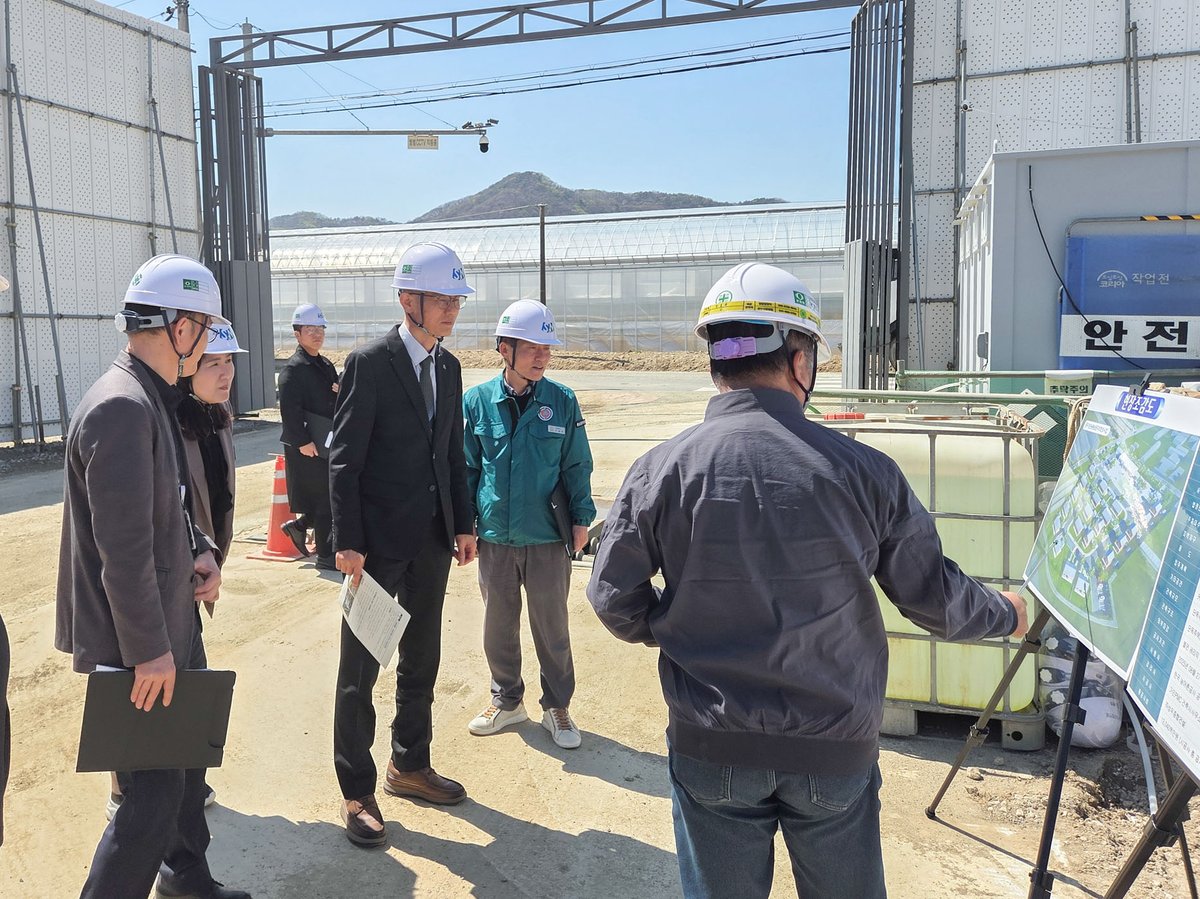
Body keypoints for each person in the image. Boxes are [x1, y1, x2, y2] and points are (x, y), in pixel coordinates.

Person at [586, 262, 1029, 899]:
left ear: (716, 361)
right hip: (832, 750)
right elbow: (934, 599)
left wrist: (673, 623)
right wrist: (1008, 611)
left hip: (712, 746)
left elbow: (612, 598)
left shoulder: (661, 469)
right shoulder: (865, 471)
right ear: (801, 360)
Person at [55, 254, 250, 899]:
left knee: (185, 768)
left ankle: (188, 879)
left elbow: (169, 504)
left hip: (170, 619)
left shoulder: (152, 395)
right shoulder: (122, 406)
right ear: (181, 327)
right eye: (207, 326)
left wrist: (200, 549)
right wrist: (150, 653)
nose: (210, 341)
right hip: (140, 641)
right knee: (150, 802)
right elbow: (124, 551)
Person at [329, 242, 478, 848]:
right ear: (407, 299)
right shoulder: (370, 363)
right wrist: (348, 541)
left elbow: (452, 454)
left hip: (432, 541)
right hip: (377, 546)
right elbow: (344, 459)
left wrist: (463, 523)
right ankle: (357, 788)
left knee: (422, 658)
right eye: (442, 299)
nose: (452, 310)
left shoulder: (449, 367)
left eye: (456, 300)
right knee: (360, 669)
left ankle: (409, 764)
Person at [104, 324, 246, 821]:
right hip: (160, 575)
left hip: (192, 567)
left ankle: (179, 789)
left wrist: (207, 554)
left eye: (229, 362)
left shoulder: (217, 418)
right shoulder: (161, 419)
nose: (226, 373)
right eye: (214, 362)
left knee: (184, 683)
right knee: (142, 683)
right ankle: (125, 788)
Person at [462, 300, 595, 749]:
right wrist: (465, 524)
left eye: (547, 348)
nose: (542, 356)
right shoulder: (477, 401)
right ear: (505, 349)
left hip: (546, 535)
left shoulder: (562, 400)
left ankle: (557, 706)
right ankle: (507, 700)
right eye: (533, 347)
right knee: (497, 626)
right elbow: (467, 469)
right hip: (496, 535)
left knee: (552, 627)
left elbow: (576, 464)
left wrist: (582, 518)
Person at [278, 303, 339, 570]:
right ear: (297, 334)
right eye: (310, 329)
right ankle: (326, 555)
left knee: (328, 495)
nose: (317, 334)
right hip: (307, 444)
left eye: (320, 329)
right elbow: (289, 410)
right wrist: (302, 441)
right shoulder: (294, 369)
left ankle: (300, 526)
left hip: (326, 440)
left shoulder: (324, 364)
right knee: (324, 497)